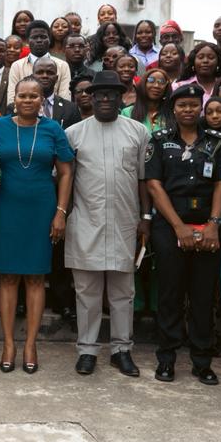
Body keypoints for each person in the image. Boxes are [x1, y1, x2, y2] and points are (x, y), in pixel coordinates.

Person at [65, 71, 151, 377]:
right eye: (98, 94)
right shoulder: (73, 133)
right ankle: (87, 350)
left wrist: (145, 217)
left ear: (120, 97)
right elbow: (64, 179)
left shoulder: (138, 132)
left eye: (110, 94)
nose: (104, 99)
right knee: (86, 291)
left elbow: (144, 179)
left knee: (122, 292)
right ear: (89, 97)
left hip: (125, 221)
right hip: (84, 219)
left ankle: (121, 350)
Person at [144, 83, 221, 385]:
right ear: (173, 109)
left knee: (203, 296)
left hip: (207, 227)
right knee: (170, 295)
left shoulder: (217, 143)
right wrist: (178, 226)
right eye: (182, 105)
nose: (189, 110)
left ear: (201, 107)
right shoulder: (159, 140)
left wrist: (213, 224)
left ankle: (202, 362)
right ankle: (166, 359)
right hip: (170, 227)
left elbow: (220, 185)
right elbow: (154, 186)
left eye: (194, 105)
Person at [0, 77, 75, 373]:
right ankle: (9, 343)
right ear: (14, 97)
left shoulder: (53, 129)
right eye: (22, 95)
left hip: (42, 208)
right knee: (9, 277)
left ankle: (31, 344)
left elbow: (65, 172)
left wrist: (61, 211)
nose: (27, 100)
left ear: (42, 99)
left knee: (37, 278)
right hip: (6, 207)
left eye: (33, 96)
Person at [7, 20, 71, 104]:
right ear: (27, 41)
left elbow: (65, 99)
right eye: (34, 37)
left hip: (55, 115)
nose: (39, 40)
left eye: (43, 37)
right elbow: (12, 100)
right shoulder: (17, 66)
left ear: (49, 39)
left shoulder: (62, 65)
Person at [122, 67, 170, 132]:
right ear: (143, 84)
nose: (156, 85)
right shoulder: (127, 112)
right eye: (151, 80)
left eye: (162, 82)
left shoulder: (172, 113)